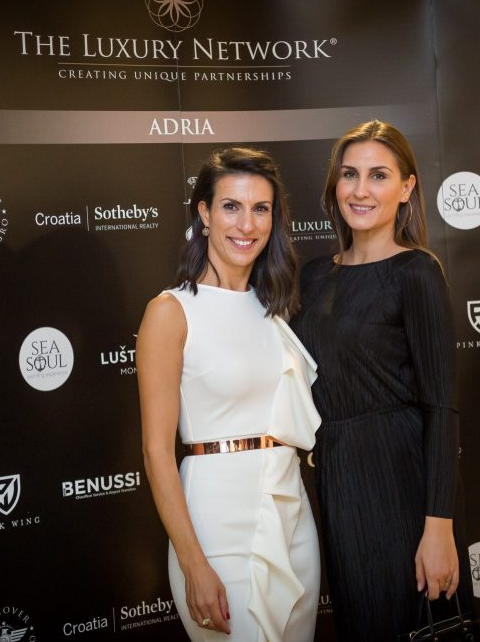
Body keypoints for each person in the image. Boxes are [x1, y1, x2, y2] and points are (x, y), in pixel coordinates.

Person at [290, 120, 472, 640]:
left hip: (402, 478)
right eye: (349, 174)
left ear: (407, 187)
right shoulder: (313, 276)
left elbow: (441, 407)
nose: (360, 190)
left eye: (378, 175)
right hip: (339, 476)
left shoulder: (416, 273)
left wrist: (438, 527)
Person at [137, 147, 321, 641]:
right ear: (204, 213)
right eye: (231, 206)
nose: (247, 224)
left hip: (292, 518)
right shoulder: (170, 312)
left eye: (261, 208)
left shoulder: (275, 309)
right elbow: (156, 453)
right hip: (217, 525)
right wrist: (193, 562)